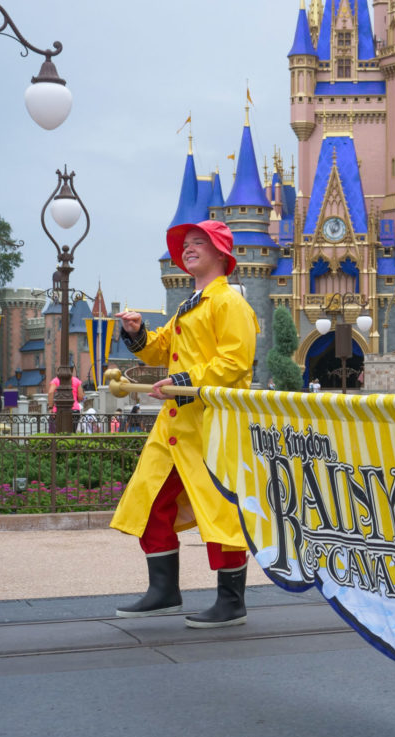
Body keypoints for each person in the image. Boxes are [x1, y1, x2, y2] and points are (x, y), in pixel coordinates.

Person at [112, 219, 260, 628]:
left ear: (220, 253)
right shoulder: (188, 305)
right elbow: (163, 350)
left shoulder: (229, 303)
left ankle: (231, 601)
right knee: (148, 500)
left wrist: (181, 383)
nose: (189, 248)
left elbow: (234, 362)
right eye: (186, 244)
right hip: (175, 428)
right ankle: (164, 591)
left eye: (199, 242)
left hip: (214, 426)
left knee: (221, 508)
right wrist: (138, 334)